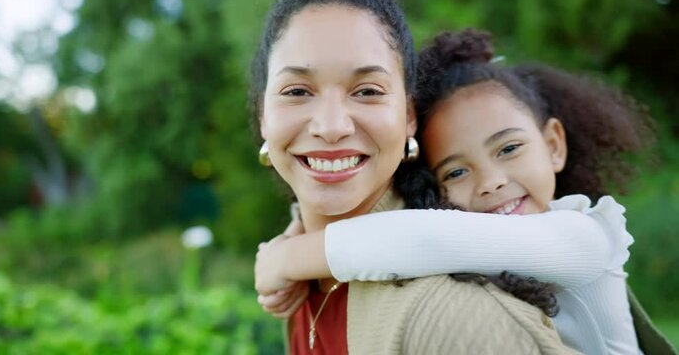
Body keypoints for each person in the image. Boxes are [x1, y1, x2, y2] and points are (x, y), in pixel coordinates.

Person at [255, 29, 677, 354]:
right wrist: (297, 228)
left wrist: (284, 258)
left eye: (509, 148)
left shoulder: (584, 239)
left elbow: (415, 237)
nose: (491, 181)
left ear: (553, 145)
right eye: (456, 172)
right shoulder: (473, 251)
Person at [251, 0, 576, 354]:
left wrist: (289, 256)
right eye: (297, 91)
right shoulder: (305, 281)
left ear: (409, 116)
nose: (331, 127)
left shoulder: (461, 323)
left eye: (367, 91)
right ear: (263, 115)